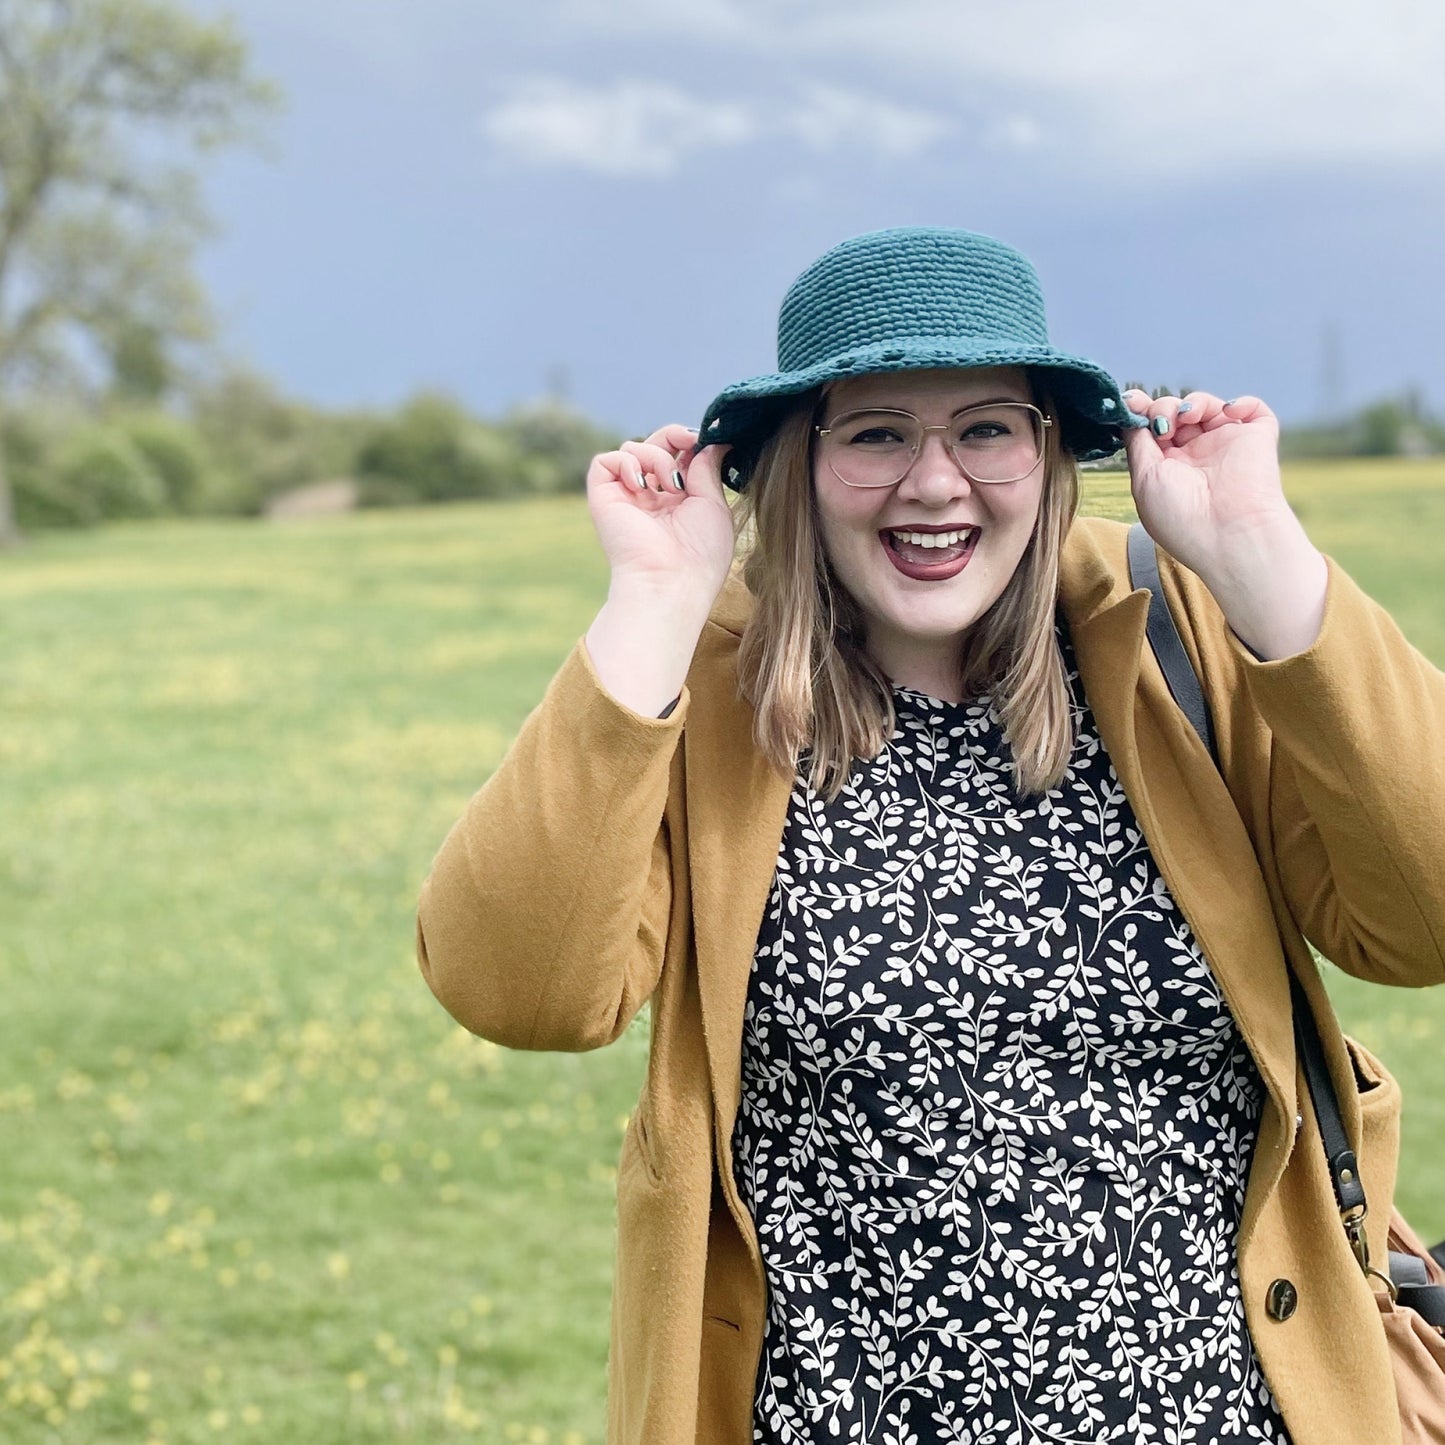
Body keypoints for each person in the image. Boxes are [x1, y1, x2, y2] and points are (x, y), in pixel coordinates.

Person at [416, 228, 1445, 1445]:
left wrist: (1260, 560)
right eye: (876, 432)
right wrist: (650, 602)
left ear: (1048, 450)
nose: (935, 480)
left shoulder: (1175, 637)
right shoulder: (703, 688)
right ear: (796, 464)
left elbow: (1419, 920)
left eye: (986, 427)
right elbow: (521, 990)